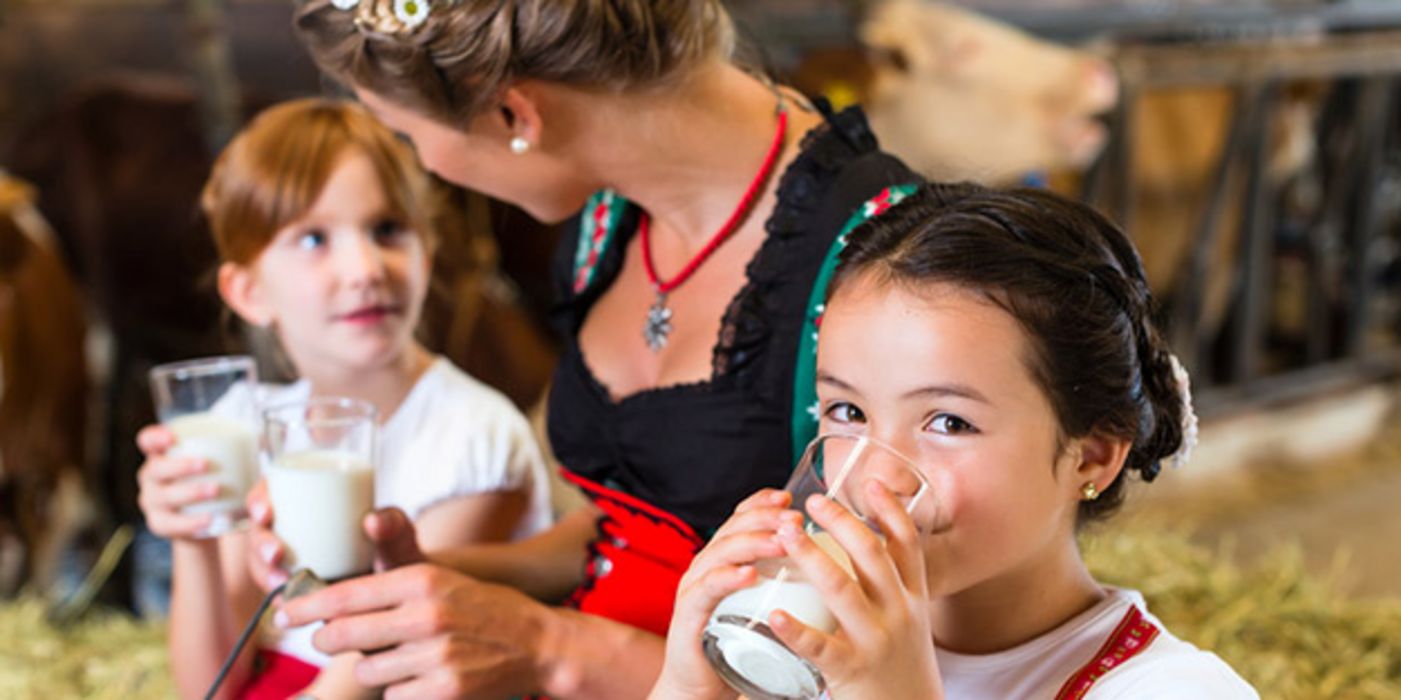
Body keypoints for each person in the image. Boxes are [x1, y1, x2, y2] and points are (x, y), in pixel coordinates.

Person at [263, 0, 923, 697]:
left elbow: (899, 662)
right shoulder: (604, 222)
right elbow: (635, 524)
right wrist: (452, 576)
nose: (424, 163)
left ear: (514, 116)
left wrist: (548, 644)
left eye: (404, 134)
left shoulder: (887, 266)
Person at [650, 183, 1258, 699]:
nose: (874, 480)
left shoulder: (1172, 688)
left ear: (1091, 455)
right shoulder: (802, 639)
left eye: (949, 423)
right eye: (847, 410)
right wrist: (684, 689)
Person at [134, 98, 552, 700]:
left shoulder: (475, 436)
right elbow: (211, 684)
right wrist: (192, 536)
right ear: (249, 292)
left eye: (387, 230)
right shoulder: (242, 423)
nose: (364, 268)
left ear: (426, 254)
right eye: (312, 239)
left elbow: (374, 673)